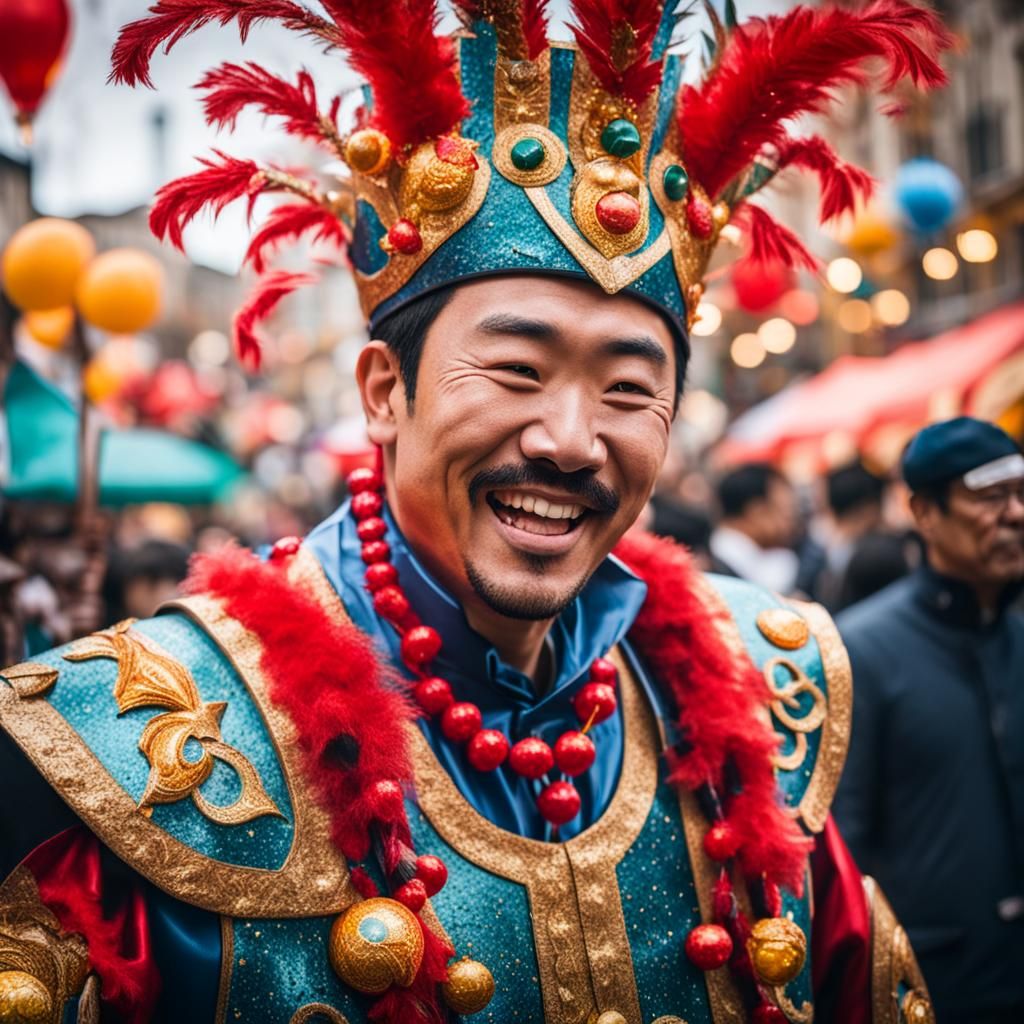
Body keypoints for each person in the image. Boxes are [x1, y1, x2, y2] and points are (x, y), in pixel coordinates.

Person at [0, 2, 951, 1021]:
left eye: (629, 389)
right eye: (514, 369)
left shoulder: (765, 700)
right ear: (382, 390)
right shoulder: (133, 744)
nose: (572, 439)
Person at [834, 417, 1024, 1024]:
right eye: (989, 497)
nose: (1016, 514)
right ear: (924, 512)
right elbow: (845, 844)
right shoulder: (862, 651)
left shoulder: (1017, 634)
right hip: (932, 987)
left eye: (1022, 494)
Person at [709, 463, 800, 592]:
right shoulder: (713, 566)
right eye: (785, 511)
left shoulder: (771, 560)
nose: (791, 522)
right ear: (757, 511)